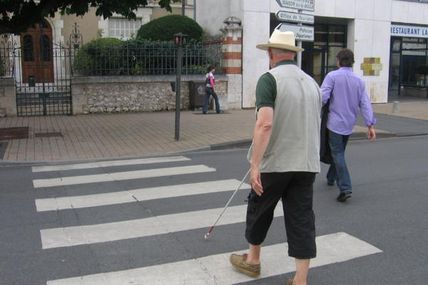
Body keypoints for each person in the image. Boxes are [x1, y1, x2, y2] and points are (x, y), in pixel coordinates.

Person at [229, 30, 322, 285]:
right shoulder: (312, 83)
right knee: (301, 218)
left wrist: (255, 164)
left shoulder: (269, 79)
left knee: (259, 209)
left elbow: (265, 124)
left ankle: (253, 260)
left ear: (271, 53)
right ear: (293, 53)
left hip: (276, 161)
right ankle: (300, 279)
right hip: (306, 163)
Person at [320, 48, 376, 202]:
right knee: (339, 152)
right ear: (352, 62)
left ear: (338, 61)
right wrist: (370, 125)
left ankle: (345, 188)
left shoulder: (332, 76)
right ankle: (331, 177)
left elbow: (322, 97)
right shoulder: (359, 81)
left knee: (337, 153)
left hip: (334, 123)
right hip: (348, 124)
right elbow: (365, 104)